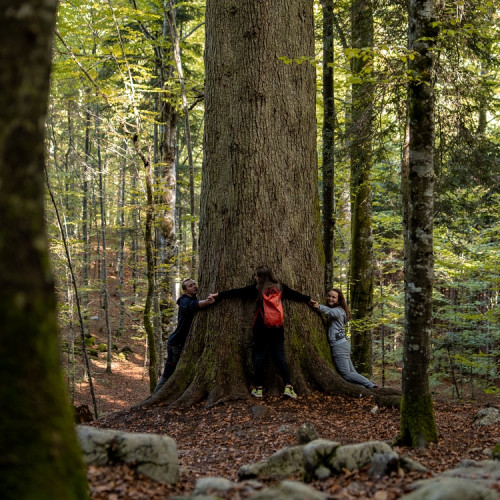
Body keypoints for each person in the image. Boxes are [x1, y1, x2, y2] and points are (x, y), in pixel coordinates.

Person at [210, 266, 311, 399]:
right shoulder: (280, 287)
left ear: (261, 277)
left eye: (256, 276)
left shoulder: (257, 288)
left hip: (261, 327)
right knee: (280, 357)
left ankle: (258, 389)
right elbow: (295, 295)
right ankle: (288, 386)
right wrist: (309, 299)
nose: (254, 278)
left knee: (259, 357)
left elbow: (237, 292)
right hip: (277, 327)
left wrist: (218, 295)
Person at [153, 278, 215, 394]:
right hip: (176, 344)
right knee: (168, 374)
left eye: (194, 284)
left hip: (184, 344)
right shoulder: (184, 301)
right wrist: (207, 302)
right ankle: (155, 396)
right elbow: (193, 306)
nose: (194, 286)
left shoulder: (193, 297)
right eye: (190, 286)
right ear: (185, 291)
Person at [310, 288, 377, 389]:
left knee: (346, 374)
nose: (330, 298)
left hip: (339, 346)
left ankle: (371, 386)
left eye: (333, 297)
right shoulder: (341, 310)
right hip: (343, 344)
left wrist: (318, 306)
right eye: (329, 296)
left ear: (339, 300)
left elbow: (330, 312)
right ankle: (363, 388)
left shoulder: (338, 311)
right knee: (352, 372)